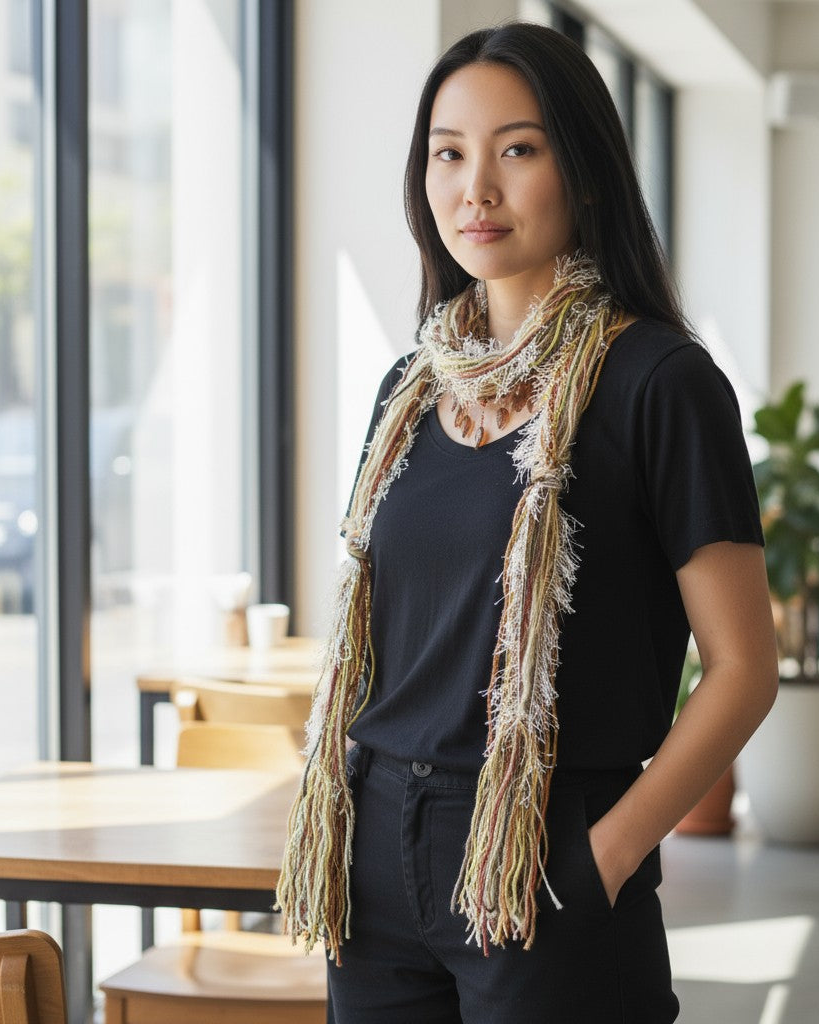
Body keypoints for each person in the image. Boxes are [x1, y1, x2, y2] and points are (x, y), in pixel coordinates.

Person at [276, 23, 777, 1024]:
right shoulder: (410, 390)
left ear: (582, 170)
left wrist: (606, 851)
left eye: (517, 148)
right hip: (376, 851)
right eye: (448, 153)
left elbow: (743, 667)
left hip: (544, 850)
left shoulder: (659, 384)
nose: (477, 188)